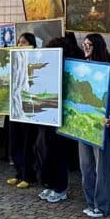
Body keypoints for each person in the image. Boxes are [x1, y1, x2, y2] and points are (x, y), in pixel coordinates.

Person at [34, 37, 79, 204]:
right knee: (43, 149)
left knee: (57, 151)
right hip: (45, 114)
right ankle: (49, 183)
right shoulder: (48, 66)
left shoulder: (69, 67)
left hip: (60, 116)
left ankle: (60, 187)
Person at [78, 33, 110, 217]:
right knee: (86, 166)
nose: (85, 47)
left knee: (101, 168)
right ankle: (91, 201)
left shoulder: (107, 70)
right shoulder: (80, 68)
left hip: (100, 126)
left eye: (89, 45)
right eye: (84, 44)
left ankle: (103, 206)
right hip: (82, 124)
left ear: (98, 47)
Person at [6, 32, 39, 189]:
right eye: (18, 42)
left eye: (23, 42)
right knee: (15, 143)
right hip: (14, 108)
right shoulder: (14, 62)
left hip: (28, 109)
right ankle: (19, 173)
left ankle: (29, 176)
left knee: (27, 144)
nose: (20, 45)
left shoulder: (35, 62)